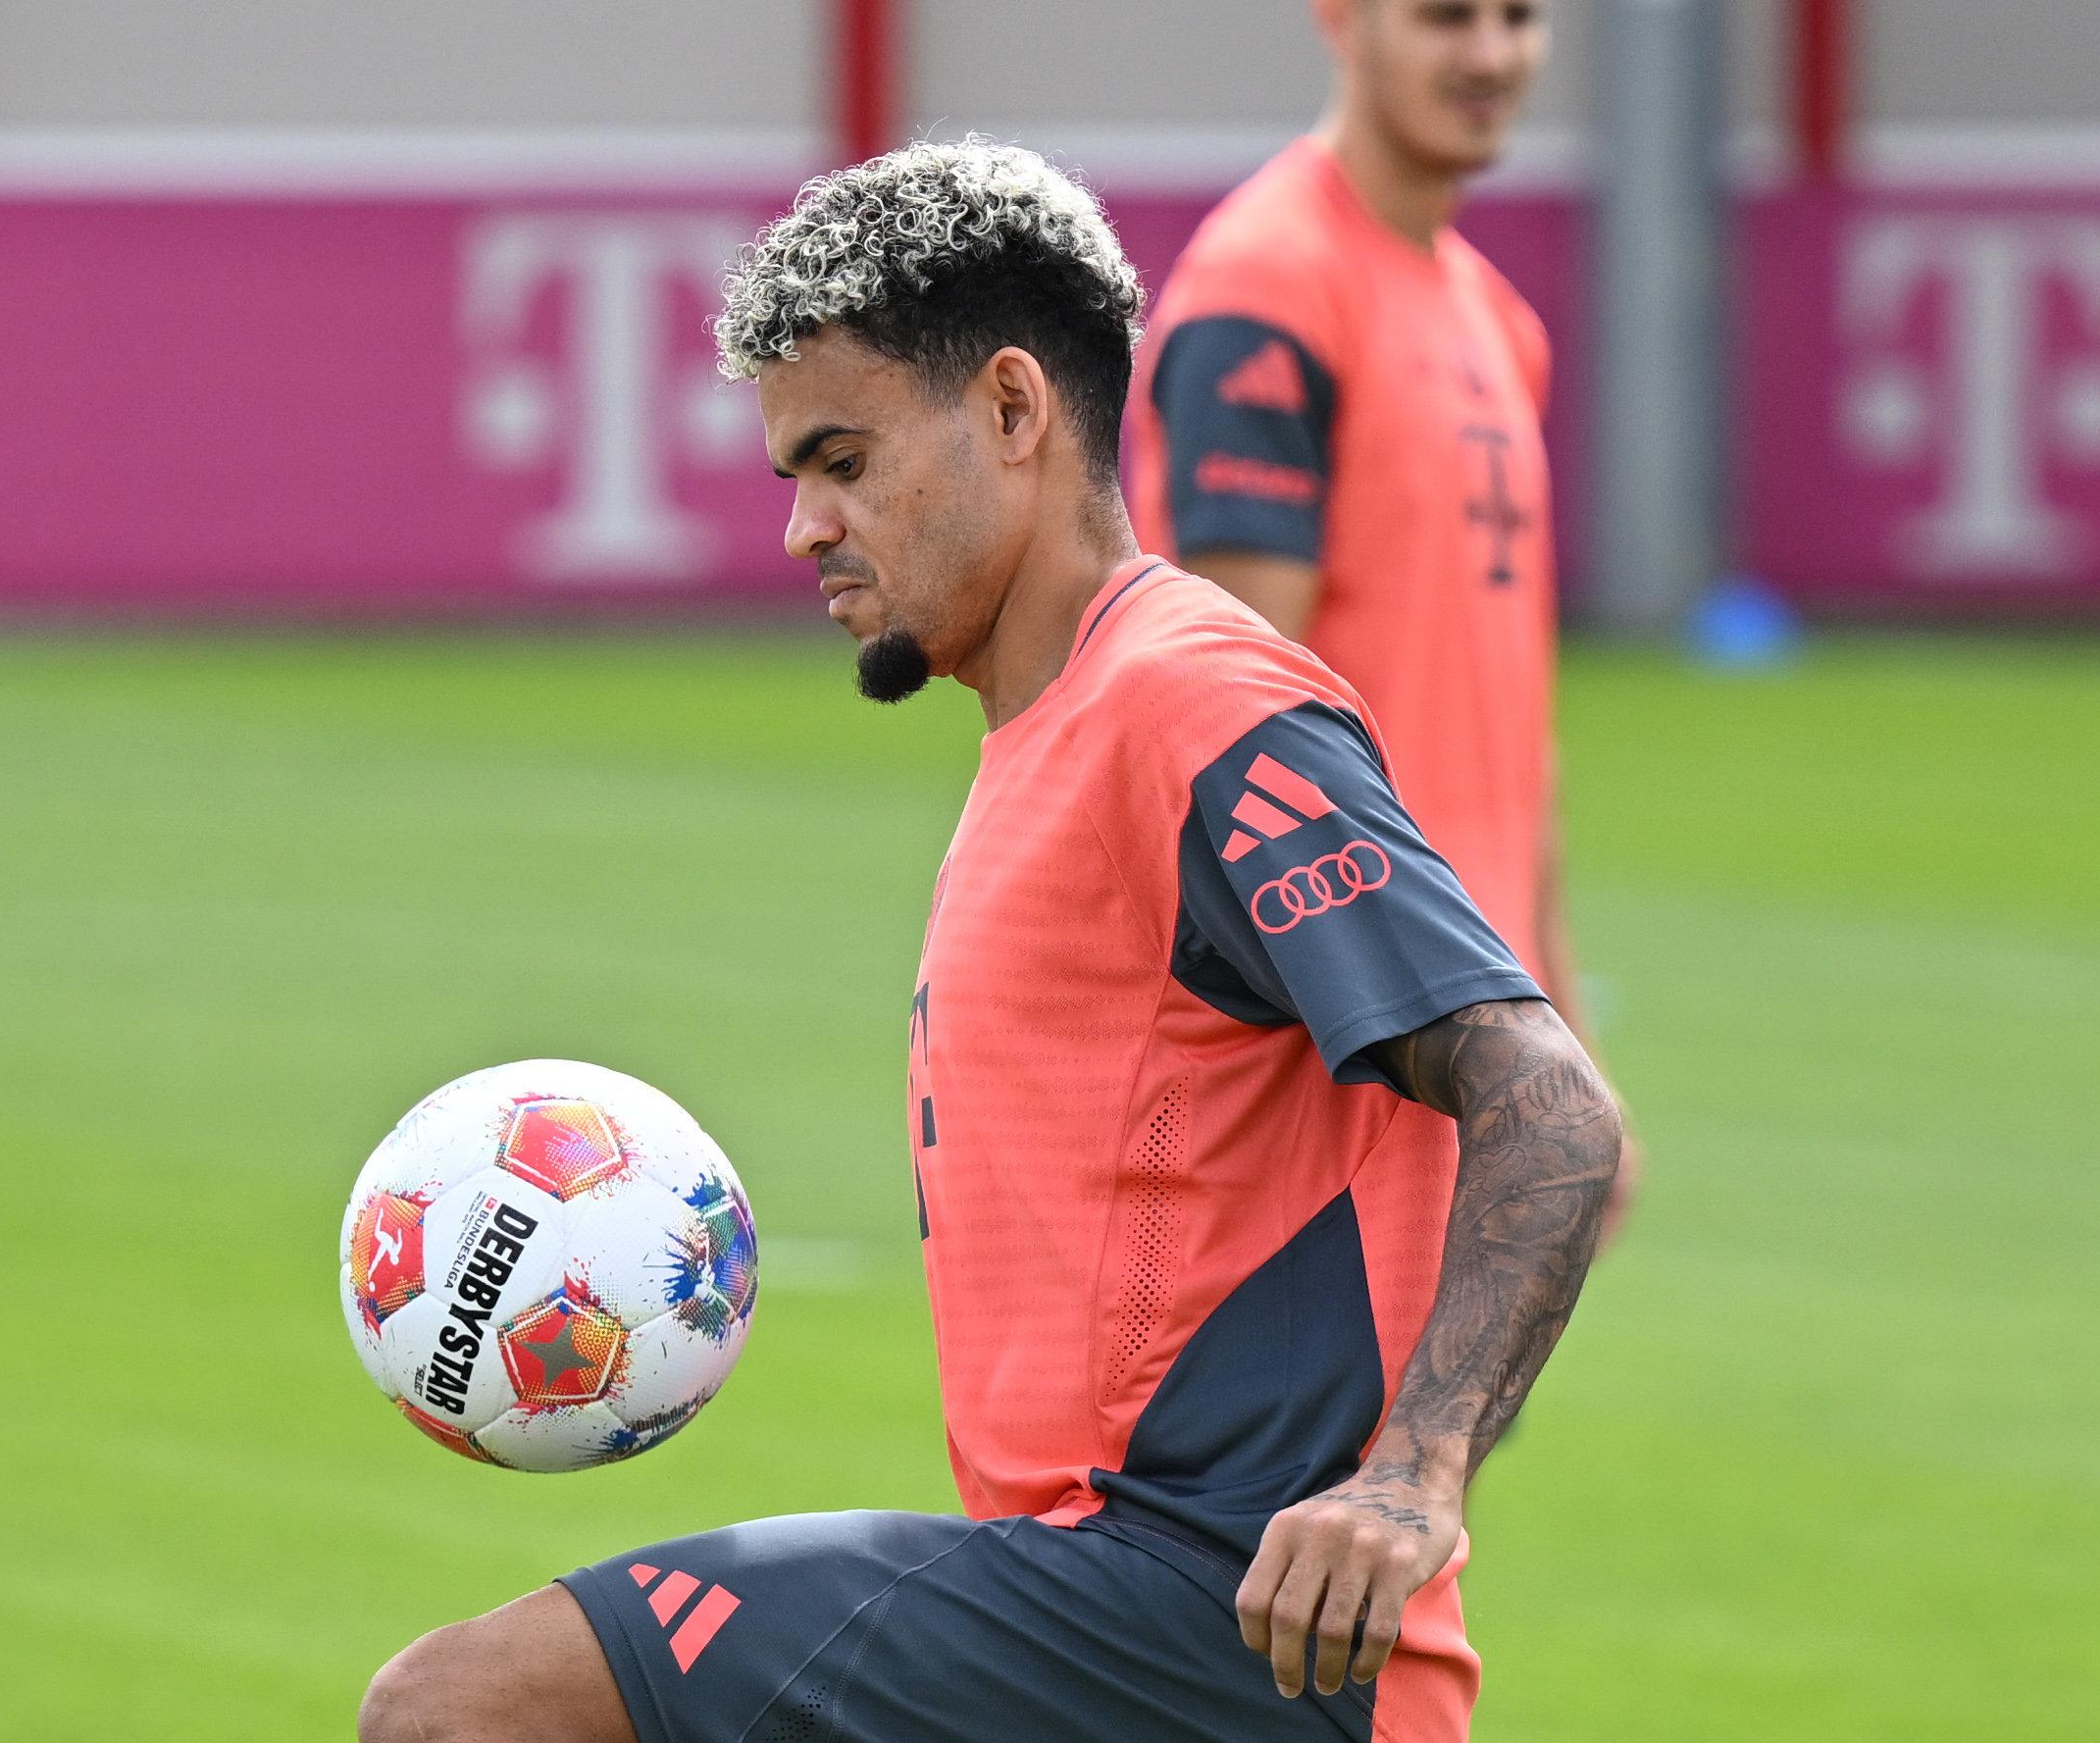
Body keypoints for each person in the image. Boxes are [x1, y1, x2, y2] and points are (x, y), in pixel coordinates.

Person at [359, 140, 1618, 1743]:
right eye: (790, 477)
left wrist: (1410, 1479)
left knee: (465, 1707)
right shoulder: (1045, 735)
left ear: (1016, 411)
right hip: (1093, 1618)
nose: (808, 526)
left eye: (845, 457)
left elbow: (1549, 1101)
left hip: (1207, 1625)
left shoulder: (1193, 705)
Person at [1126, 0, 1637, 1237]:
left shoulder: (1495, 321)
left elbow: (1513, 737)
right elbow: (1233, 726)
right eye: (1446, 16)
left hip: (1465, 1019)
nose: (1490, 54)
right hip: (1340, 1037)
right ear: (1341, 19)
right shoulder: (1270, 285)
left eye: (1518, 17)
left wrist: (1554, 1036)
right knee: (1355, 1435)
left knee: (1437, 1433)